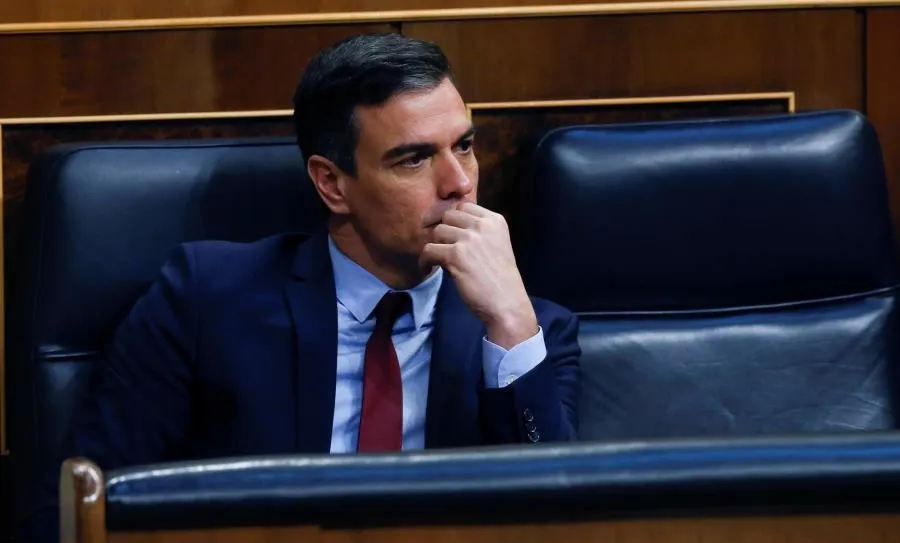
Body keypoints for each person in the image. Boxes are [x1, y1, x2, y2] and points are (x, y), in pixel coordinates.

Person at [24, 32, 581, 541]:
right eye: (414, 159)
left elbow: (563, 522)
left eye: (463, 146)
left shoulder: (530, 334)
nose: (459, 183)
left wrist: (510, 324)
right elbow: (79, 510)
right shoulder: (205, 299)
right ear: (332, 183)